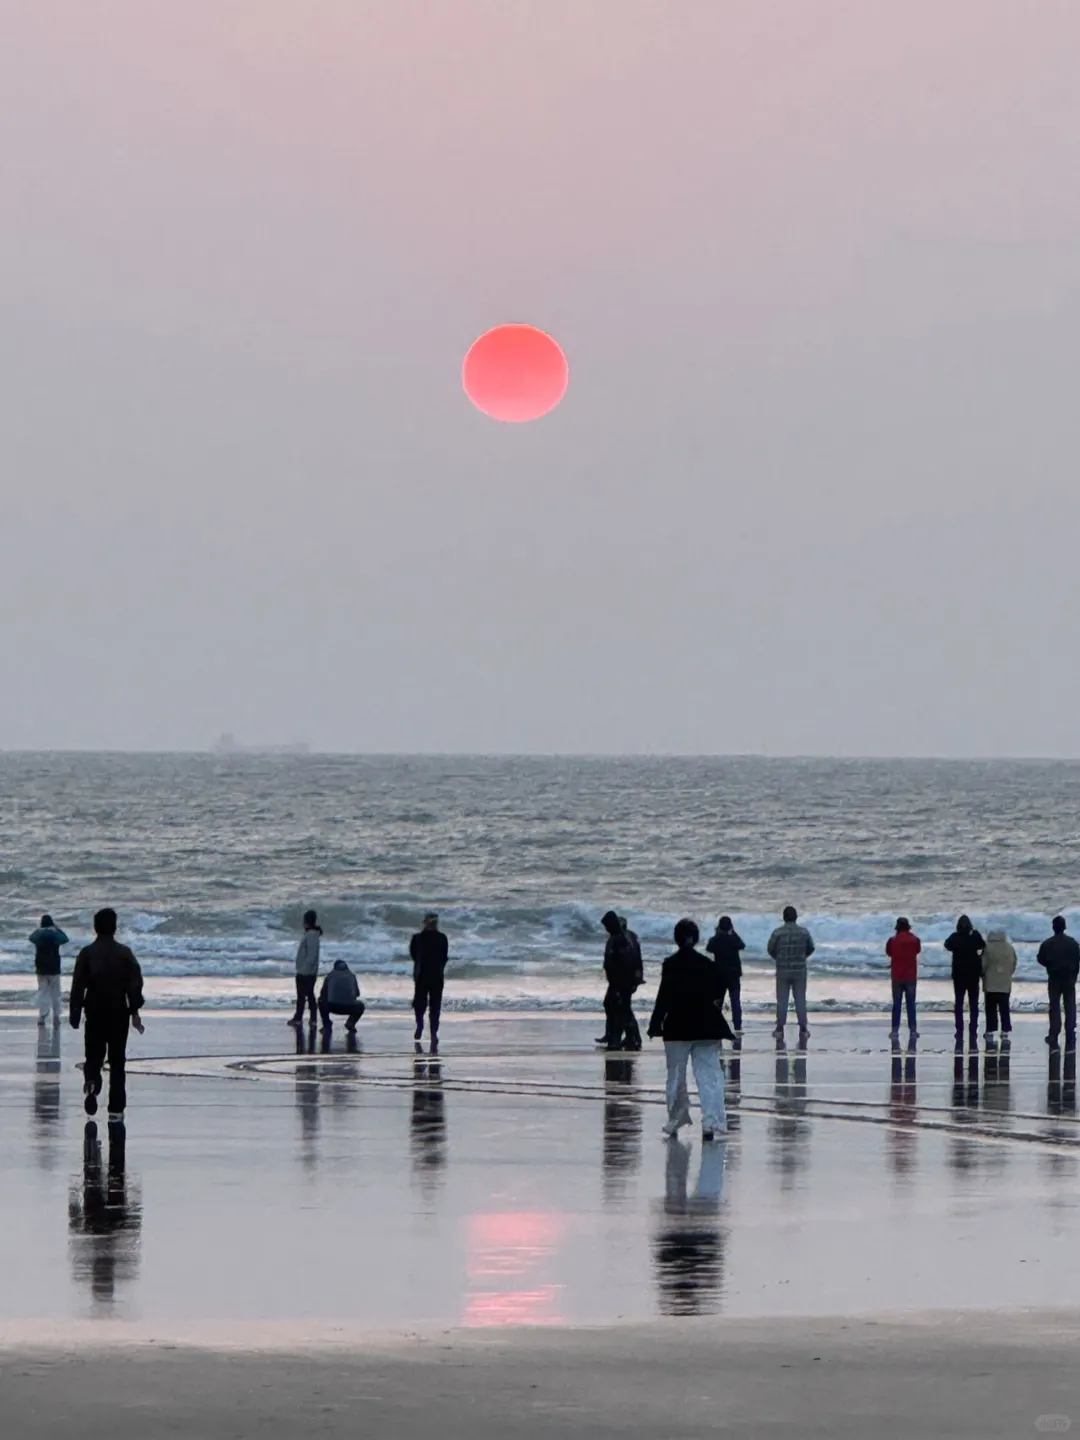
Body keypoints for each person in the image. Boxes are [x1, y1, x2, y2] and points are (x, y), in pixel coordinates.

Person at [647, 918, 733, 1141]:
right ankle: (711, 1122)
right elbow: (721, 984)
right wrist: (714, 1002)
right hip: (706, 1025)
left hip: (677, 1026)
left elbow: (663, 996)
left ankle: (676, 1120)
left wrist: (655, 1023)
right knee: (709, 1075)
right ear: (695, 939)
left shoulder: (670, 964)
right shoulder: (707, 964)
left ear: (677, 939)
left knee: (676, 1075)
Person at [69, 908, 145, 1122]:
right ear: (114, 927)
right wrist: (135, 1011)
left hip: (94, 1012)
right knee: (117, 1061)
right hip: (118, 1012)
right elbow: (134, 984)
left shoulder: (87, 953)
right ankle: (116, 1109)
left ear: (95, 928)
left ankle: (92, 1084)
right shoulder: (124, 953)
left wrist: (75, 1012)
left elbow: (78, 985)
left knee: (93, 1057)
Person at [767, 906, 815, 1043]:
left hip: (783, 969)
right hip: (799, 970)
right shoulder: (804, 932)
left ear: (784, 917)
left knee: (782, 1000)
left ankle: (779, 1028)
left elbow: (770, 949)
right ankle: (803, 1029)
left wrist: (779, 958)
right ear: (796, 917)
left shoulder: (777, 933)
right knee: (800, 999)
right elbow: (811, 948)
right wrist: (802, 957)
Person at [597, 910, 642, 1051]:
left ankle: (621, 1039)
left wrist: (627, 982)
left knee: (620, 1008)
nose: (606, 929)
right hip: (620, 981)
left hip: (621, 982)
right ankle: (626, 1037)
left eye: (607, 926)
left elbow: (626, 963)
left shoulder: (621, 940)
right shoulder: (622, 937)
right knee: (618, 1007)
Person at [1037, 915, 1080, 1052]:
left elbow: (1040, 958)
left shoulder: (1048, 943)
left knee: (1054, 1006)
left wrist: (1050, 965)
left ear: (1053, 928)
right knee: (1070, 1005)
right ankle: (1070, 1031)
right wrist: (1074, 973)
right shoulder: (1073, 943)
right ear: (1064, 927)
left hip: (1054, 977)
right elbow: (1078, 959)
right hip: (1069, 978)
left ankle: (1054, 1033)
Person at [944, 914, 985, 1047]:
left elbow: (947, 945)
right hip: (973, 974)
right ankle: (973, 1028)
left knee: (959, 1003)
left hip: (959, 974)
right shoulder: (975, 936)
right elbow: (982, 945)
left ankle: (959, 1028)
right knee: (974, 1004)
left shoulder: (955, 937)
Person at [411, 912, 449, 1045]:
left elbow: (414, 955)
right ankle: (427, 1029)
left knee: (427, 1005)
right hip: (430, 975)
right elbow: (444, 957)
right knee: (427, 1005)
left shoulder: (420, 938)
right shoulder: (439, 938)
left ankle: (427, 1029)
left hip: (428, 975)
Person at [705, 916, 745, 1034]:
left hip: (719, 974)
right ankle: (737, 1026)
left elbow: (709, 948)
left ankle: (715, 1025)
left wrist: (717, 934)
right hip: (734, 974)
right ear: (730, 926)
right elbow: (742, 945)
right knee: (735, 1001)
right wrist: (733, 932)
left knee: (718, 1001)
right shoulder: (733, 939)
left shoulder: (716, 939)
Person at [28, 914, 69, 1028]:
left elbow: (31, 938)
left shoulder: (39, 935)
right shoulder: (55, 935)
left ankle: (42, 1016)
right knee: (56, 994)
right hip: (54, 968)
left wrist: (39, 930)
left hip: (41, 968)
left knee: (43, 993)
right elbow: (65, 939)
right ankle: (56, 1017)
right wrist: (57, 929)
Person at [885, 917, 921, 1041]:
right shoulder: (915, 940)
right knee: (911, 1004)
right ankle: (913, 1030)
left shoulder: (892, 940)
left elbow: (889, 953)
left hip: (897, 976)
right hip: (910, 976)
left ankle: (895, 1030)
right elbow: (917, 951)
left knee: (897, 1004)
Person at [981, 929, 1017, 1042]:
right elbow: (1013, 963)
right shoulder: (1009, 948)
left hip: (990, 983)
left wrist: (983, 975)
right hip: (1005, 983)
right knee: (1004, 1007)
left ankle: (990, 1030)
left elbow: (983, 964)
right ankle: (1005, 1030)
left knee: (990, 1008)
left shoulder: (988, 948)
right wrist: (1008, 974)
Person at [289, 910, 322, 1028]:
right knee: (307, 995)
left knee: (304, 996)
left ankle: (305, 1018)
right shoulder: (311, 934)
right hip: (308, 971)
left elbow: (311, 956)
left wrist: (304, 969)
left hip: (306, 972)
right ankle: (306, 1018)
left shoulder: (311, 935)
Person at [318, 958, 365, 1035]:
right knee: (361, 1005)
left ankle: (326, 1025)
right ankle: (351, 1022)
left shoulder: (330, 976)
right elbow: (357, 994)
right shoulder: (352, 976)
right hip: (349, 1007)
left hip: (333, 1006)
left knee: (321, 1000)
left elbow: (323, 993)